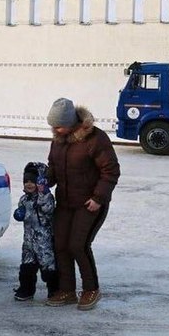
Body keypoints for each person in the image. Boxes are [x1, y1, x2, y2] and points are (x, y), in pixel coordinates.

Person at [44, 97, 120, 311]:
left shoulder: (96, 139)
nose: (55, 130)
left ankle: (91, 289)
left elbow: (111, 171)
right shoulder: (58, 139)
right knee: (60, 245)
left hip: (90, 203)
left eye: (58, 125)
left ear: (70, 122)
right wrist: (43, 181)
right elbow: (53, 166)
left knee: (78, 245)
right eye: (53, 126)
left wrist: (98, 198)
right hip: (65, 202)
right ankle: (67, 290)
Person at [13, 162, 58, 301]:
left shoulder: (46, 197)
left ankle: (54, 290)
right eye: (26, 181)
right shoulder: (24, 199)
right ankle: (26, 289)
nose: (29, 184)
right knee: (27, 267)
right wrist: (18, 214)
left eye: (32, 181)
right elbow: (23, 214)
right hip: (28, 242)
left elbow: (48, 209)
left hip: (44, 242)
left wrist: (44, 193)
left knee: (48, 267)